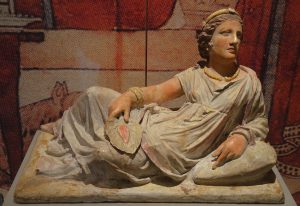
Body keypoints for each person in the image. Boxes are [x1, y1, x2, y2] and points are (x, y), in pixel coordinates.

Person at [38, 8, 268, 186]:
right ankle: (63, 129)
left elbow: (258, 122)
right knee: (93, 94)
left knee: (101, 155)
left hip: (172, 150)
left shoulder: (248, 82)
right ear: (208, 41)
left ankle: (88, 143)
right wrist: (130, 96)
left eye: (238, 34)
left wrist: (242, 136)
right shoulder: (195, 75)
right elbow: (157, 92)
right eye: (226, 33)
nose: (235, 40)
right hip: (159, 122)